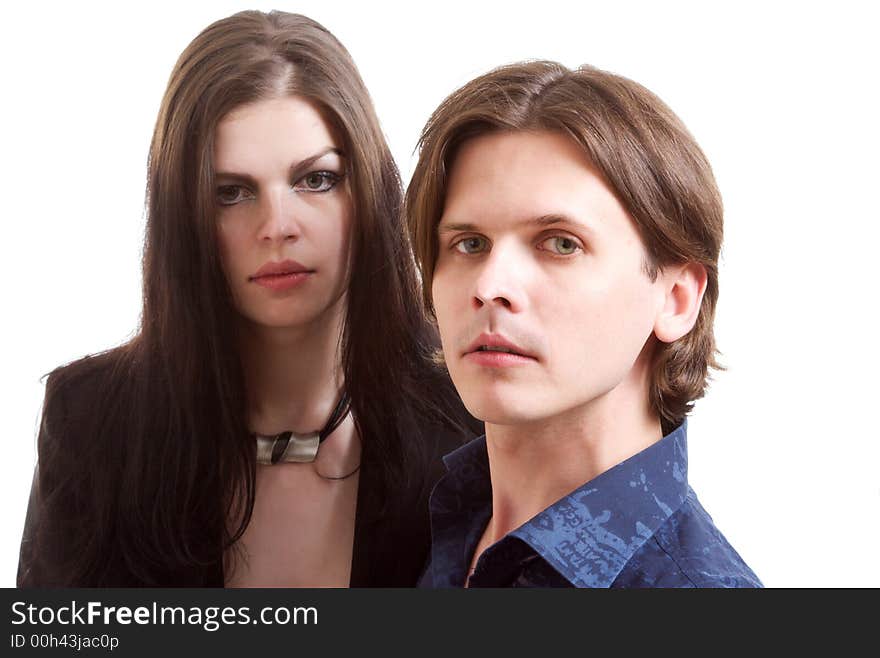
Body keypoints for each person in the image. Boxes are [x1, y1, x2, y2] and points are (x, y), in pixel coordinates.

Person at [17, 10, 479, 587]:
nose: (277, 225)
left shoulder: (473, 410)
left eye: (316, 180)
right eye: (231, 193)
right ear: (182, 217)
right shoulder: (88, 424)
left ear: (369, 188)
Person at [406, 61, 762, 587]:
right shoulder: (436, 520)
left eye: (560, 243)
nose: (489, 284)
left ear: (676, 299)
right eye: (469, 244)